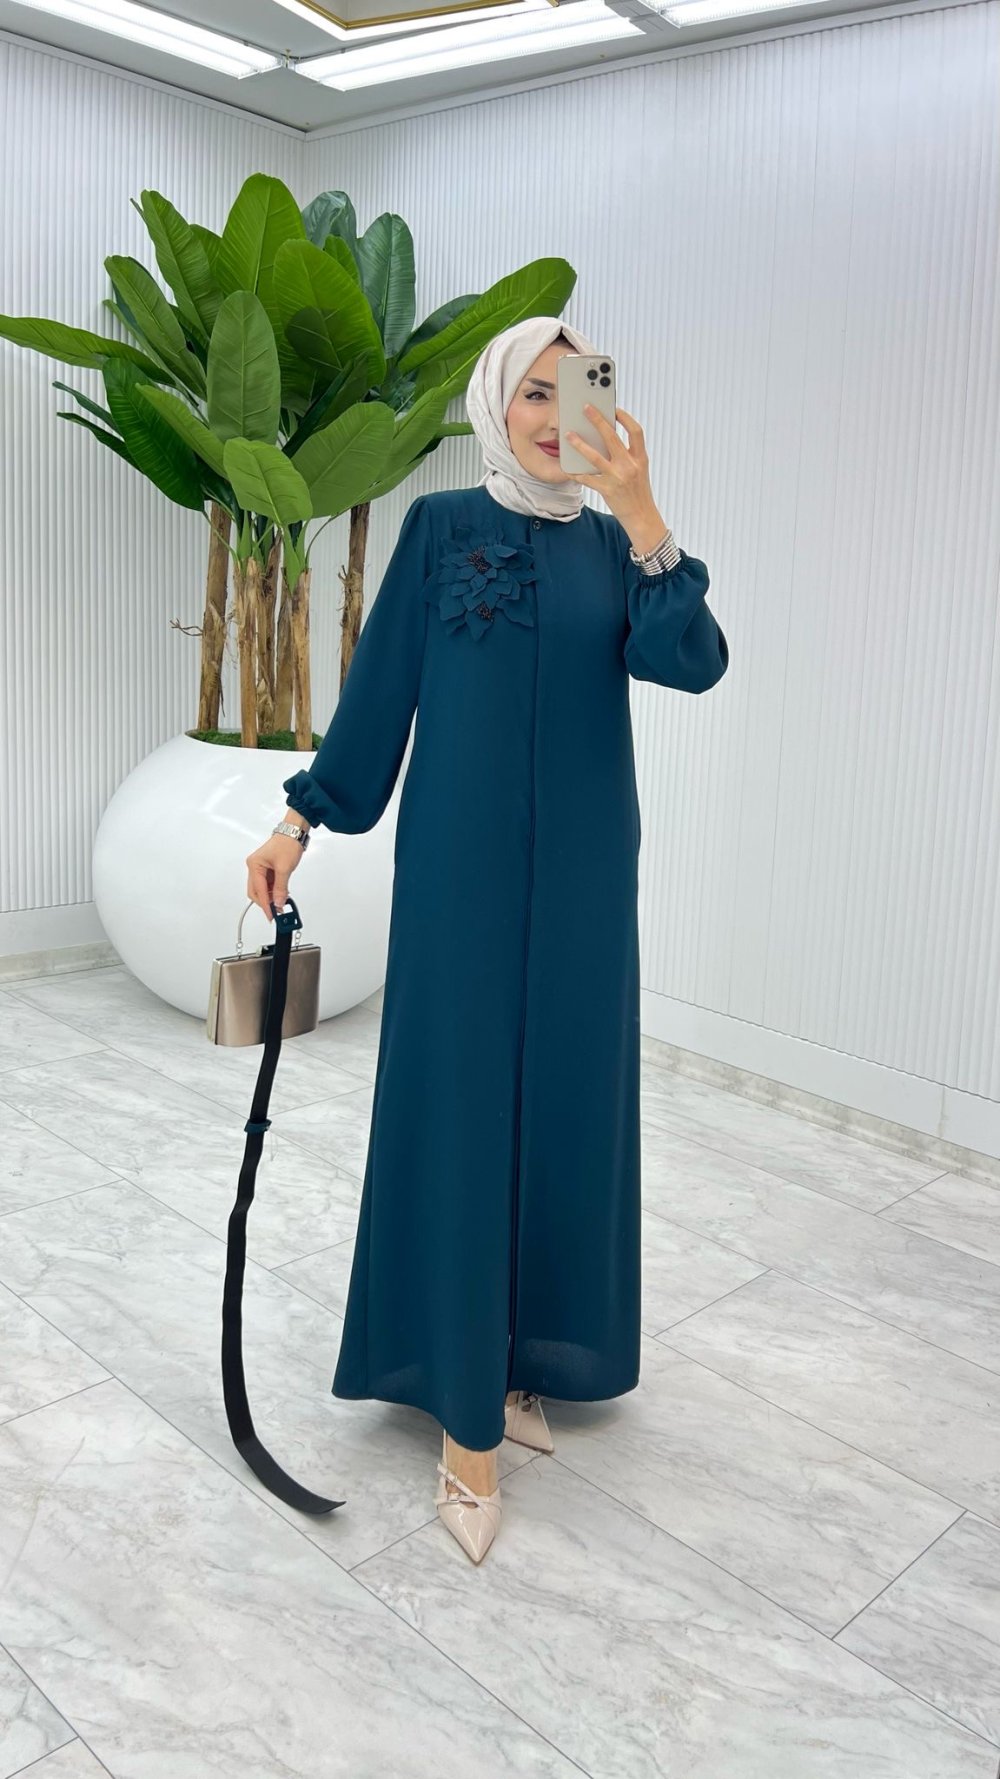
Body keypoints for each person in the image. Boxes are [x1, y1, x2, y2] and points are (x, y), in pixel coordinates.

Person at [245, 316, 729, 1564]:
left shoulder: (617, 546)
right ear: (496, 407)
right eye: (535, 394)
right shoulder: (441, 527)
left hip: (584, 880)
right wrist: (302, 817)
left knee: (565, 1105)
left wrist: (644, 516)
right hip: (459, 877)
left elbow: (691, 664)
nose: (558, 418)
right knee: (461, 1108)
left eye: (578, 391)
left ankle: (520, 1363)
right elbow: (382, 691)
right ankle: (462, 1416)